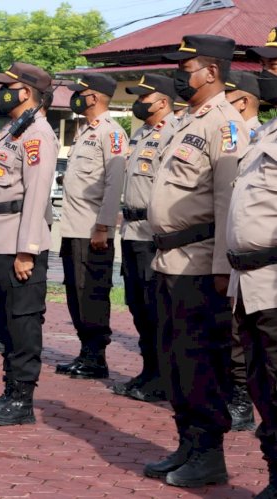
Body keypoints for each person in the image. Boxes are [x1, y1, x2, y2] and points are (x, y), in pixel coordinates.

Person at [143, 34, 247, 488]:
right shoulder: (188, 121)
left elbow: (228, 202)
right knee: (175, 360)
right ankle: (187, 443)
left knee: (199, 360)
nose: (179, 78)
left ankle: (209, 453)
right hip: (170, 259)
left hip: (201, 263)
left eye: (186, 71)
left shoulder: (225, 125)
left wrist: (225, 267)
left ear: (212, 72)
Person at [0, 62, 57, 425]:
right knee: (5, 323)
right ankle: (9, 392)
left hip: (18, 243)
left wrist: (27, 250)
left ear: (25, 92)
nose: (0, 91)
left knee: (23, 323)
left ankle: (22, 401)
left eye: (7, 86)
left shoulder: (38, 134)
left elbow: (36, 196)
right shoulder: (13, 132)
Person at [227, 28, 277, 499]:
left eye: (275, 66)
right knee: (262, 383)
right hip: (249, 282)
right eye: (266, 67)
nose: (268, 75)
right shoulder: (266, 133)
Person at [56, 73, 127, 379]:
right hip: (73, 228)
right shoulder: (86, 132)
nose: (76, 98)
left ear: (95, 97)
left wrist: (103, 225)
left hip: (92, 230)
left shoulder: (111, 134)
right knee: (75, 291)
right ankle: (86, 352)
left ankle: (96, 356)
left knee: (92, 294)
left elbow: (114, 184)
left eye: (80, 93)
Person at [111, 74, 176, 402]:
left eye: (144, 98)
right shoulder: (141, 134)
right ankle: (149, 370)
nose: (138, 103)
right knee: (137, 305)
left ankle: (163, 377)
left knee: (155, 309)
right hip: (132, 231)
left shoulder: (173, 133)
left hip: (153, 234)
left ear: (163, 102)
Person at [223, 69, 261, 431]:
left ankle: (243, 401)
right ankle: (238, 395)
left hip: (263, 261)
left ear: (244, 101)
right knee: (235, 329)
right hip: (235, 251)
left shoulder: (248, 133)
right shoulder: (248, 134)